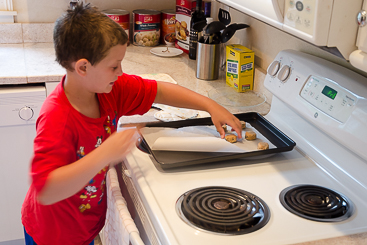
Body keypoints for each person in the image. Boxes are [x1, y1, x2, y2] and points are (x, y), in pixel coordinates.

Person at [21, 3, 242, 245]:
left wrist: (211, 106)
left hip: (84, 227)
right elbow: (46, 189)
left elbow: (157, 90)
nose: (120, 72)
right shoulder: (58, 118)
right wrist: (104, 153)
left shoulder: (108, 90)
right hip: (52, 235)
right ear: (83, 67)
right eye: (114, 66)